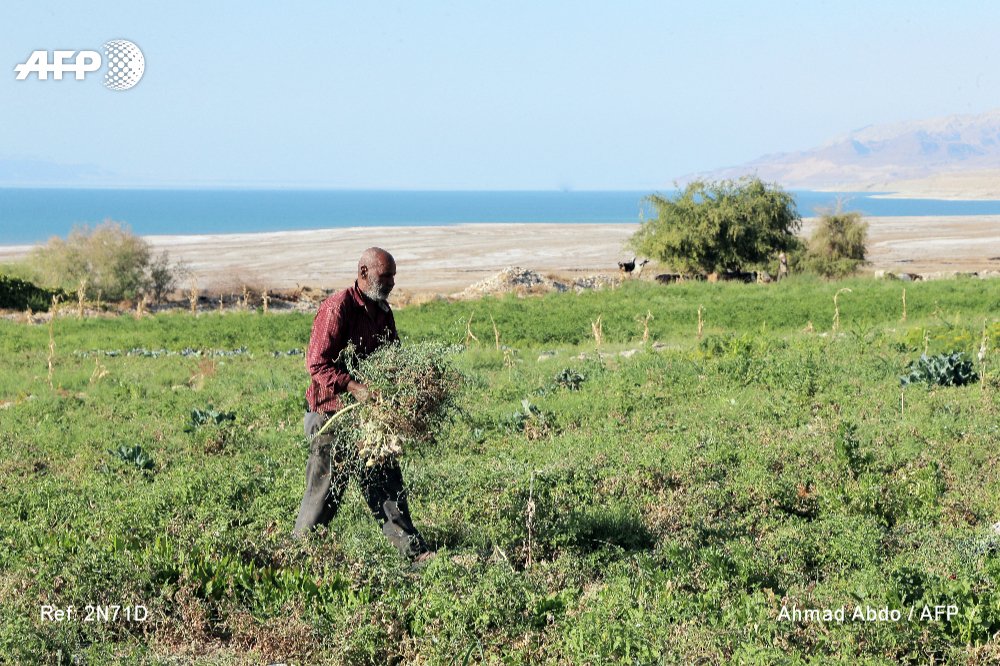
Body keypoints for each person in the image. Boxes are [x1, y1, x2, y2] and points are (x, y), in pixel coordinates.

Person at [293, 247, 431, 562]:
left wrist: (409, 383)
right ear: (364, 273)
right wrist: (355, 388)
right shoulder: (336, 308)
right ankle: (299, 556)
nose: (392, 283)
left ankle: (413, 553)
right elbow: (317, 364)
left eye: (394, 277)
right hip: (331, 415)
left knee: (386, 484)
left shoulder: (383, 312)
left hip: (367, 419)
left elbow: (392, 358)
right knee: (323, 493)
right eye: (386, 277)